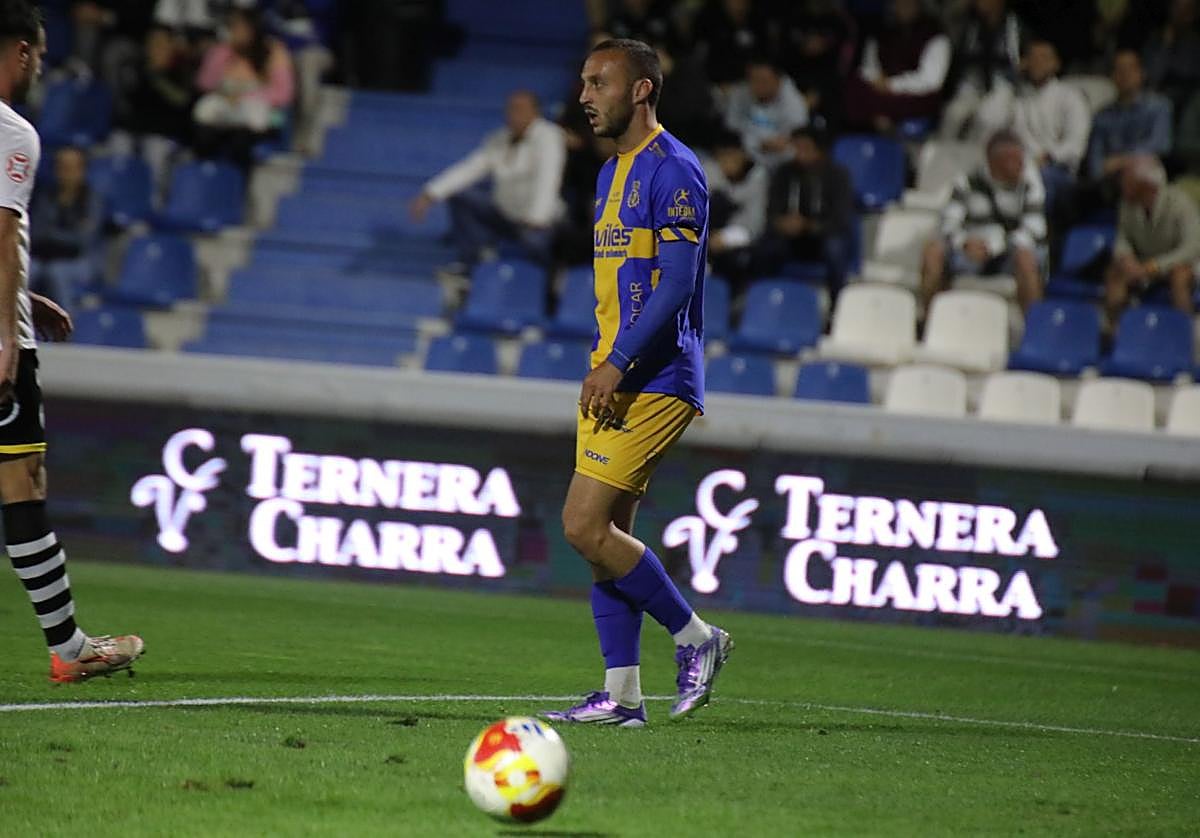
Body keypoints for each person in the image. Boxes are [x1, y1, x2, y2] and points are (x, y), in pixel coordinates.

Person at [543, 38, 731, 727]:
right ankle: (622, 695)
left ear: (642, 89)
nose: (585, 95)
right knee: (610, 538)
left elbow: (678, 283)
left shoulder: (675, 171)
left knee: (581, 525)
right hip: (615, 375)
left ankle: (698, 638)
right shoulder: (610, 174)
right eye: (583, 82)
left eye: (599, 83)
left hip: (653, 376)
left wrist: (618, 361)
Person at [0, 0, 142, 683]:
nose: (40, 70)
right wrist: (6, 329)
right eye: (42, 57)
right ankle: (69, 650)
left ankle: (70, 646)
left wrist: (21, 296)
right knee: (22, 482)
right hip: (2, 345)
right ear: (22, 51)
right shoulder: (11, 132)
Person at [409, 90, 566, 270]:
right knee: (462, 197)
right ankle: (473, 261)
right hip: (505, 213)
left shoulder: (549, 136)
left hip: (540, 221)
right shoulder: (498, 139)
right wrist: (430, 193)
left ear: (535, 112)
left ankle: (551, 281)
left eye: (520, 109)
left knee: (536, 245)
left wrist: (537, 218)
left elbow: (548, 178)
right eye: (511, 109)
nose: (514, 115)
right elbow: (470, 168)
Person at [920, 129, 1046, 313]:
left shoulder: (1030, 184)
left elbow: (1035, 230)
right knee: (932, 252)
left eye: (1020, 158)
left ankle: (1035, 329)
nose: (1020, 165)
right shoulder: (967, 182)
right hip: (969, 252)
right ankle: (930, 320)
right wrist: (963, 243)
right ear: (992, 161)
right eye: (1011, 160)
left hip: (1007, 254)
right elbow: (948, 223)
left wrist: (993, 246)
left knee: (1027, 258)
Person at [753, 125, 855, 298]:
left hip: (823, 235)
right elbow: (771, 211)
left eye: (805, 149)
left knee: (835, 249)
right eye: (796, 148)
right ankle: (763, 299)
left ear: (819, 150)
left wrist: (809, 225)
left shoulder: (838, 175)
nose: (799, 154)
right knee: (765, 247)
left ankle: (838, 304)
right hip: (790, 237)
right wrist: (782, 223)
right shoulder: (784, 172)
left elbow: (840, 218)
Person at [192, 7, 295, 166]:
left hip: (259, 117)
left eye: (238, 27)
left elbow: (284, 93)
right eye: (231, 27)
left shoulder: (273, 51)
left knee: (240, 141)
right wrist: (221, 53)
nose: (234, 31)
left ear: (253, 29)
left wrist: (245, 97)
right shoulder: (224, 51)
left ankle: (239, 184)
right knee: (203, 133)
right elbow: (204, 84)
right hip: (224, 113)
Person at [1006, 40, 1092, 222]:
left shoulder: (1071, 96)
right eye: (1032, 58)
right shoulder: (1019, 99)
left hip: (1059, 171)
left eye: (1044, 58)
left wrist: (1048, 156)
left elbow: (1076, 145)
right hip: (1024, 166)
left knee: (1040, 180)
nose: (1037, 63)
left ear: (1056, 64)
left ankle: (1040, 238)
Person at [1105, 155, 1200, 318]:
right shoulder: (1126, 204)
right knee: (1116, 272)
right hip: (1143, 261)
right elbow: (1123, 238)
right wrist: (1126, 257)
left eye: (1127, 178)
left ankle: (1184, 329)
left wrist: (1155, 266)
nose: (1122, 183)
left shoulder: (1180, 203)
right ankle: (1115, 330)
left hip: (1175, 262)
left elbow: (1192, 247)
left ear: (1145, 185)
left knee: (1180, 276)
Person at [842, 0, 950, 133]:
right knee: (853, 84)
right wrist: (876, 78)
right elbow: (870, 63)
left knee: (923, 101)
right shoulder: (884, 31)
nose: (903, 6)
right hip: (882, 90)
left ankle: (880, 116)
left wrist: (892, 84)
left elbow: (932, 81)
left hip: (912, 94)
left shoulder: (935, 35)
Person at [1084, 51, 1172, 191]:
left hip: (1144, 175)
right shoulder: (1102, 116)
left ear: (1141, 73)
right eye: (1119, 70)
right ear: (1112, 76)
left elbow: (1160, 145)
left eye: (1130, 69)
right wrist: (1103, 171)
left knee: (1143, 169)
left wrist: (1122, 161)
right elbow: (1096, 162)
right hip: (1110, 181)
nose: (1125, 75)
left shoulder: (1159, 106)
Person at [939, 0, 1027, 140]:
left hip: (1002, 84)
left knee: (988, 117)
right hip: (972, 84)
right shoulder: (969, 25)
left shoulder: (1014, 26)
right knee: (953, 114)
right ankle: (944, 157)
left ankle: (980, 158)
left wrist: (1022, 66)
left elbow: (1025, 57)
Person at [29, 146, 104, 310]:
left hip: (78, 260)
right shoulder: (45, 196)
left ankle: (66, 327)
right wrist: (60, 237)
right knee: (25, 269)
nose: (65, 173)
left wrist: (53, 236)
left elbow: (83, 240)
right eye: (61, 167)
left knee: (56, 273)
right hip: (41, 257)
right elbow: (36, 233)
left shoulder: (91, 200)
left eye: (70, 168)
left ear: (82, 170)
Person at [703, 129, 769, 283]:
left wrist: (726, 238)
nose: (726, 162)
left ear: (743, 154)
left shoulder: (758, 176)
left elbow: (755, 224)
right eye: (722, 157)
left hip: (741, 237)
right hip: (706, 235)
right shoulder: (708, 170)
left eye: (732, 156)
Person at [722, 56, 808, 169]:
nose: (758, 85)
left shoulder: (794, 103)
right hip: (746, 158)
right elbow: (731, 127)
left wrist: (767, 144)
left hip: (780, 161)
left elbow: (796, 139)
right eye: (753, 79)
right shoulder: (740, 94)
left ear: (778, 80)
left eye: (764, 80)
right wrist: (757, 143)